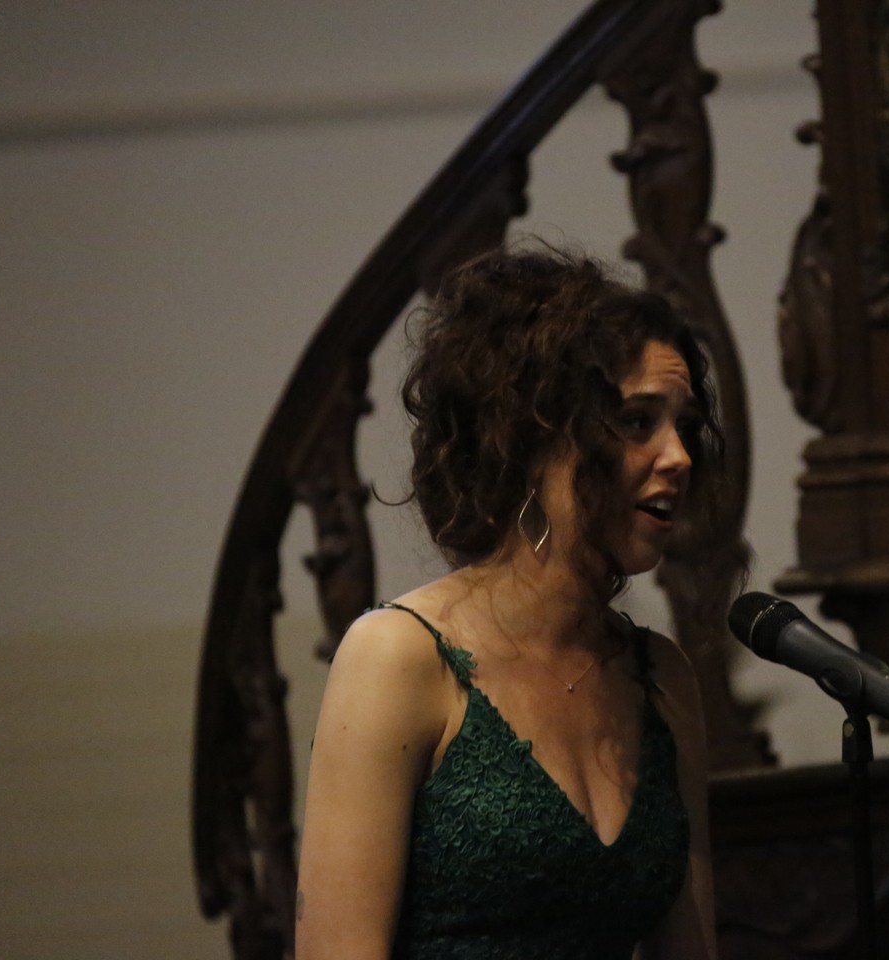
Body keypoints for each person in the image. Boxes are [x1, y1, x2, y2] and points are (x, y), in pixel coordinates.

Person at [295, 245, 726, 960]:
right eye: (637, 422)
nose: (678, 456)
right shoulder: (399, 657)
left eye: (683, 424)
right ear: (532, 438)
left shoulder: (662, 678)